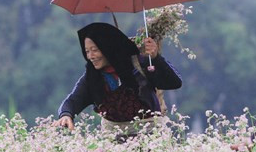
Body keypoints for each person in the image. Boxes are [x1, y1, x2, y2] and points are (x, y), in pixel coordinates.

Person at [53, 22, 182, 141]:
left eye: (95, 50)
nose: (90, 56)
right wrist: (66, 114)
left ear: (107, 48)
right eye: (87, 51)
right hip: (114, 143)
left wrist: (156, 58)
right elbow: (73, 100)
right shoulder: (92, 77)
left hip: (150, 138)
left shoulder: (139, 64)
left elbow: (174, 82)